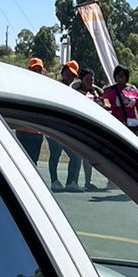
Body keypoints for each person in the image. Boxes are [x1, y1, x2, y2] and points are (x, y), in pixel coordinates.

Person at [48, 62, 84, 190]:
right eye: (67, 73)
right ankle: (54, 181)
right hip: (54, 127)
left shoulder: (71, 90)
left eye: (72, 75)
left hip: (66, 129)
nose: (69, 77)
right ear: (62, 73)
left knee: (75, 156)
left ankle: (71, 183)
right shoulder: (55, 87)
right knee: (55, 154)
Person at [102, 65, 138, 133]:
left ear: (126, 76)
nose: (120, 77)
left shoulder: (133, 89)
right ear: (115, 76)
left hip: (132, 125)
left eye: (123, 75)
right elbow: (102, 103)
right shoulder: (109, 90)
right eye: (119, 75)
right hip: (116, 125)